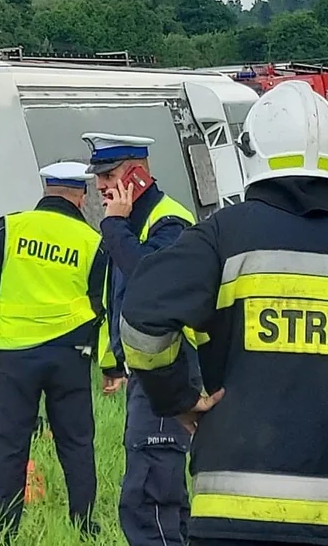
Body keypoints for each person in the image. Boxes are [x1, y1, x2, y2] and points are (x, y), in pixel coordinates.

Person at [118, 80, 328, 546]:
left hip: (232, 514)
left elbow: (142, 319)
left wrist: (176, 398)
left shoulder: (221, 236)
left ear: (251, 152)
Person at [0, 161, 109, 543]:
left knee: (9, 445)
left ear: (46, 190)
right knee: (76, 442)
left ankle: (1, 531)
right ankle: (85, 526)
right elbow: (102, 303)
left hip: (17, 358)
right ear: (80, 196)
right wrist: (108, 363)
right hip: (70, 355)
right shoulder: (92, 240)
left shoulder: (12, 227)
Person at [80, 132, 201, 546]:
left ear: (136, 174)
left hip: (170, 369)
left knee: (150, 496)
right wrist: (114, 363)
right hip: (146, 371)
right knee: (159, 491)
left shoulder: (170, 222)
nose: (100, 187)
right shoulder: (131, 225)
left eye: (109, 175)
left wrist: (113, 225)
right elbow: (115, 302)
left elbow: (150, 282)